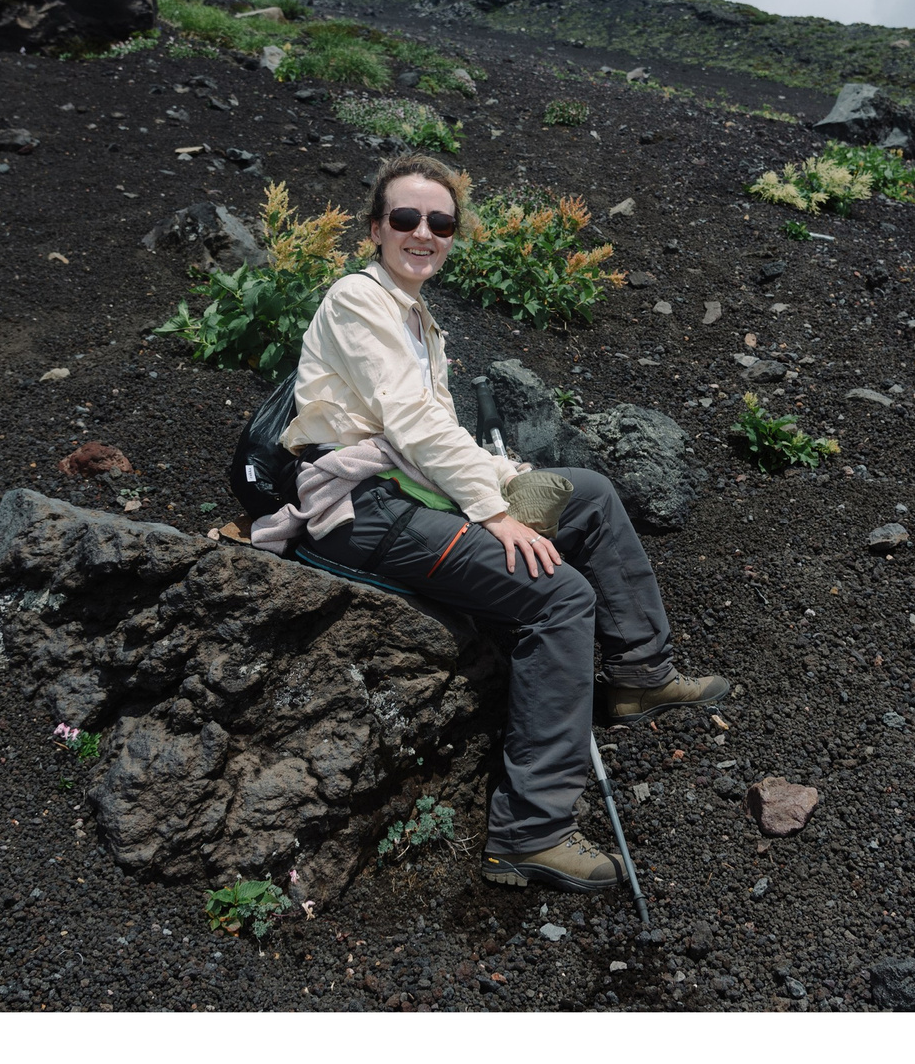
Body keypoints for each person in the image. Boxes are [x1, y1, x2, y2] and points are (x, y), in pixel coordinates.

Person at [265, 154, 730, 893]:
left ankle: (640, 675)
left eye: (440, 221)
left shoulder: (414, 313)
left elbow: (432, 434)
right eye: (407, 219)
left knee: (589, 494)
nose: (425, 232)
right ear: (375, 229)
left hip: (410, 489)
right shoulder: (359, 299)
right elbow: (411, 422)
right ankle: (531, 835)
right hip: (363, 509)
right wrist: (492, 510)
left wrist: (507, 478)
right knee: (560, 594)